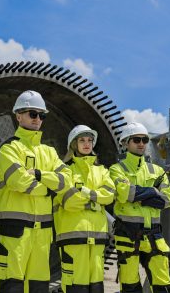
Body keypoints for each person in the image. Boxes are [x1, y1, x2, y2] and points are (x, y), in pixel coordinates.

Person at [0, 90, 72, 293]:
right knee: (11, 284)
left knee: (39, 286)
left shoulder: (49, 152)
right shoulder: (9, 149)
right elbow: (19, 181)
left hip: (43, 233)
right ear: (18, 115)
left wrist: (38, 174)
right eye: (33, 113)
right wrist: (50, 189)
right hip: (15, 231)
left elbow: (66, 182)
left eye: (42, 115)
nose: (38, 119)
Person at [109, 122, 170, 292]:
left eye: (144, 140)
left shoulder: (157, 170)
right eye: (136, 139)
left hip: (155, 236)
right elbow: (124, 193)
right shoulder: (117, 169)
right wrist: (153, 191)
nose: (141, 144)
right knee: (130, 288)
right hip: (127, 236)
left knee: (164, 287)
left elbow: (167, 200)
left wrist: (138, 195)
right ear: (125, 143)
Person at [53, 125, 115, 293]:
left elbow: (109, 195)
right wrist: (96, 199)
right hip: (72, 237)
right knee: (74, 286)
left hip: (97, 239)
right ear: (73, 144)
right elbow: (69, 200)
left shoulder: (102, 170)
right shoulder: (65, 170)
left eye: (90, 140)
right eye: (82, 140)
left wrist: (85, 193)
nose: (87, 144)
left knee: (96, 286)